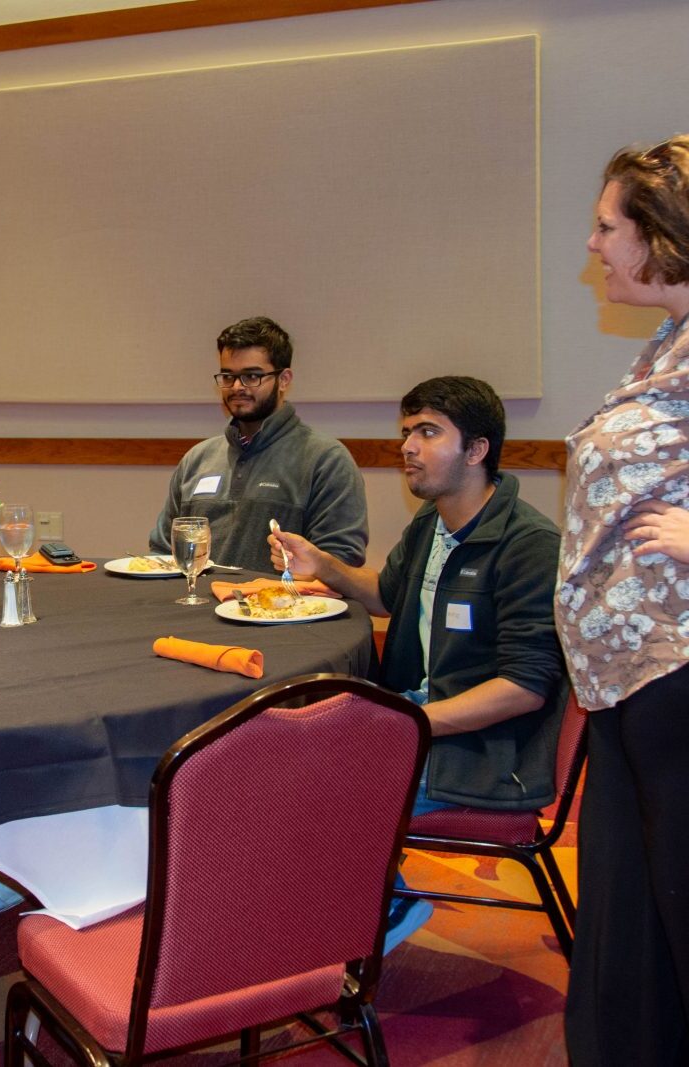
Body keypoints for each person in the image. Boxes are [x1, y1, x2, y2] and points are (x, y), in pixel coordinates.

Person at [269, 376, 565, 951]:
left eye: (428, 432)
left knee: (305, 782)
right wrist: (324, 565)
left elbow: (525, 688)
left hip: (488, 748)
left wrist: (410, 723)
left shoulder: (529, 544)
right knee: (280, 752)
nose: (408, 447)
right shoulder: (431, 525)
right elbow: (388, 595)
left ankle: (381, 908)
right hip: (423, 719)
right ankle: (351, 903)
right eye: (407, 432)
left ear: (477, 450)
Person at [561, 136, 689, 1066]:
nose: (595, 245)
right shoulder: (669, 345)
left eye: (609, 227)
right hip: (629, 684)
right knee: (630, 922)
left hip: (679, 674)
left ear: (662, 235)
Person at [149, 316, 368, 572]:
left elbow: (340, 562)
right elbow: (163, 553)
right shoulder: (197, 460)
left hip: (279, 609)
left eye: (252, 376)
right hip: (195, 610)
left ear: (284, 380)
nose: (237, 387)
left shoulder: (326, 460)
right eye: (228, 376)